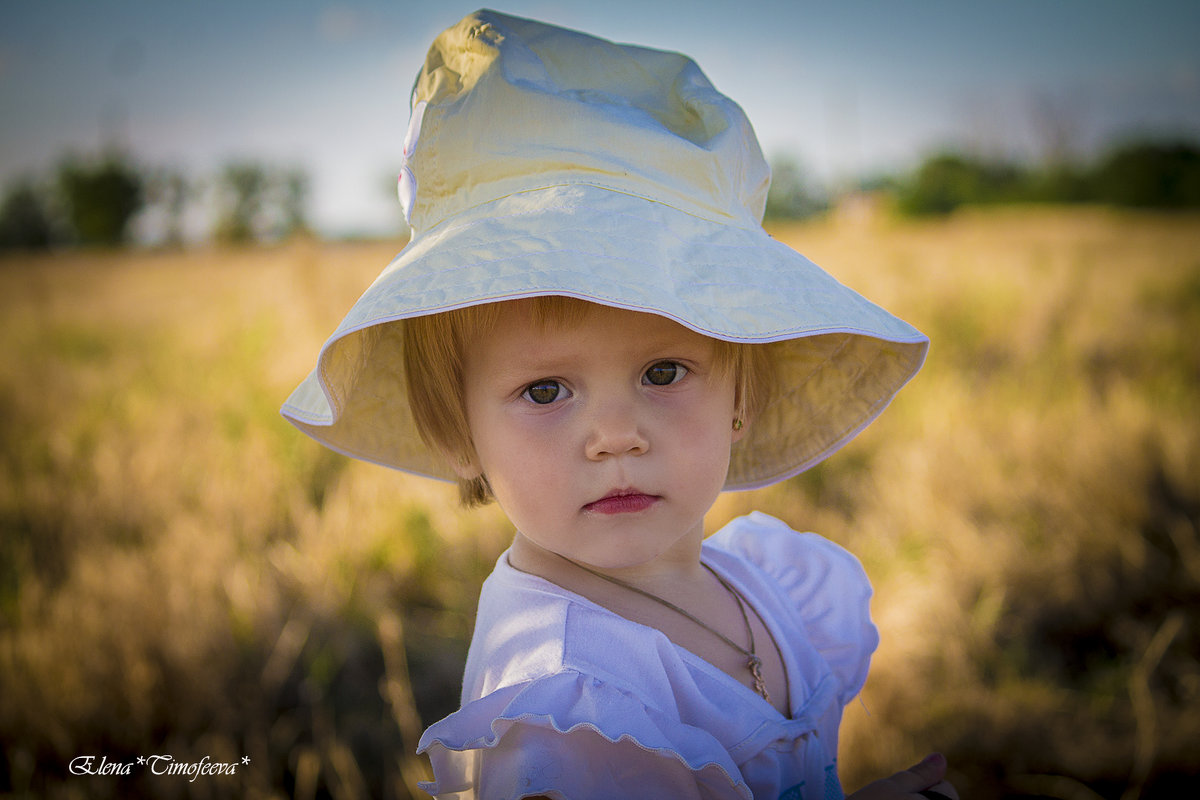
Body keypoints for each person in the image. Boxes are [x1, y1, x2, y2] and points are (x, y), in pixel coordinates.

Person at [282, 10, 957, 800]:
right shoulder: (568, 701)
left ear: (741, 390)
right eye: (544, 391)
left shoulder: (756, 581)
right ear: (456, 431)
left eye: (665, 372)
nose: (614, 436)